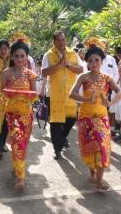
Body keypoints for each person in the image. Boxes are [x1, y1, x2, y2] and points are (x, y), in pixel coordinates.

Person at [69, 45, 121, 191]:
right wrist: (86, 100)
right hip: (85, 117)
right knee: (89, 148)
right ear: (87, 62)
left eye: (96, 60)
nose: (93, 63)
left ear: (102, 61)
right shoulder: (83, 77)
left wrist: (110, 102)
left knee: (102, 147)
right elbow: (71, 94)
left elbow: (120, 92)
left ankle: (99, 182)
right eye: (90, 60)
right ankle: (92, 172)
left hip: (101, 118)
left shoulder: (107, 78)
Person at [1, 41, 37, 191]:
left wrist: (25, 96)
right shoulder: (6, 73)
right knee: (18, 142)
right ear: (12, 56)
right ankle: (21, 179)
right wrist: (10, 96)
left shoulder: (31, 75)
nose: (20, 59)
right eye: (16, 56)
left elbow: (35, 95)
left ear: (27, 57)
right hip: (12, 114)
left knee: (22, 143)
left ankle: (17, 165)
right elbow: (2, 93)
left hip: (26, 115)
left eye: (22, 56)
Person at [42, 31, 83, 160]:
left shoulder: (73, 53)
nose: (61, 43)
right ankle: (57, 150)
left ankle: (62, 137)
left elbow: (81, 70)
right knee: (55, 123)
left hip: (70, 94)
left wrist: (68, 65)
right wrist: (59, 64)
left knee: (71, 119)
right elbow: (44, 73)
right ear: (54, 42)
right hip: (53, 95)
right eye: (59, 40)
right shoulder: (48, 55)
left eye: (63, 40)